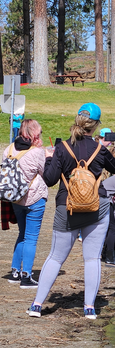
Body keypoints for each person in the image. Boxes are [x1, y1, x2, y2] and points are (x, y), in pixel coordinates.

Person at [26, 102, 115, 320]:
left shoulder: (62, 147)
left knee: (55, 257)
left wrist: (51, 158)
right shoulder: (100, 149)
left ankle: (36, 305)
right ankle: (89, 308)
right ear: (97, 125)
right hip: (97, 206)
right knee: (91, 259)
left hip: (67, 206)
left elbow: (50, 179)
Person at [4, 119, 48, 288]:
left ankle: (15, 271)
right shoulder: (37, 152)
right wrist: (48, 157)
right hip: (34, 198)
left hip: (15, 198)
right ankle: (26, 276)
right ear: (35, 133)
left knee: (22, 234)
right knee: (31, 238)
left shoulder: (8, 149)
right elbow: (45, 173)